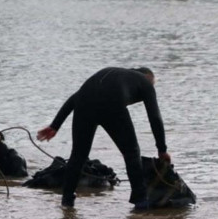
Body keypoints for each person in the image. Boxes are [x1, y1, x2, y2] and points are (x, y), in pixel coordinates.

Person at [37, 67, 172, 209]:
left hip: (84, 103)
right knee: (131, 152)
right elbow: (155, 117)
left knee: (78, 155)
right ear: (147, 78)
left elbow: (75, 97)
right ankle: (141, 202)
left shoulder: (115, 74)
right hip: (111, 102)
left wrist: (55, 126)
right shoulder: (145, 83)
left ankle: (67, 201)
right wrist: (162, 150)